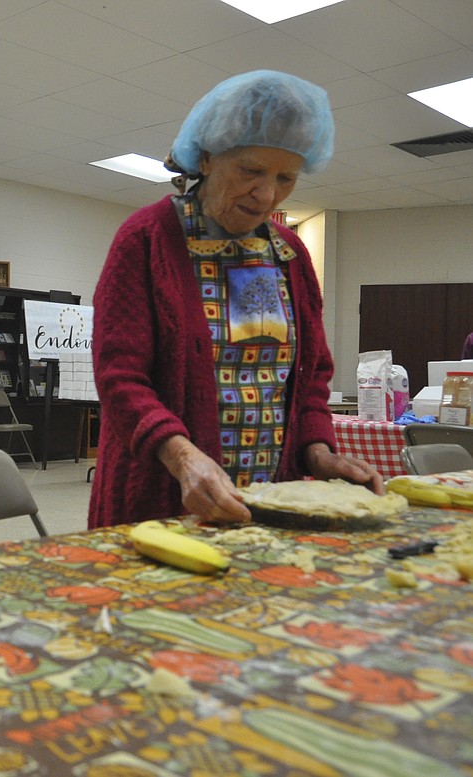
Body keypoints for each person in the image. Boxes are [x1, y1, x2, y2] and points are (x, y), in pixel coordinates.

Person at [88, 70, 383, 529]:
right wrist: (183, 458)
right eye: (251, 171)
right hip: (161, 496)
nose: (267, 195)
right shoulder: (146, 240)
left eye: (286, 178)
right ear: (206, 157)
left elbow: (310, 379)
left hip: (270, 500)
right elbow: (120, 377)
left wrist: (319, 452)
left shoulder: (290, 254)